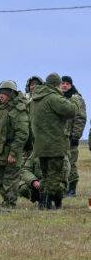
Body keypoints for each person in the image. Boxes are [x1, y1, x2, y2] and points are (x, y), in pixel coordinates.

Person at [30, 73, 81, 209]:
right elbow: (71, 111)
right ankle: (45, 203)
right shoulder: (53, 98)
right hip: (54, 145)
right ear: (57, 84)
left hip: (40, 145)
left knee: (45, 176)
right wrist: (75, 100)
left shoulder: (35, 98)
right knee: (54, 177)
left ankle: (42, 202)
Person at [0, 81, 29, 208]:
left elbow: (22, 133)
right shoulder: (1, 108)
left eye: (4, 93)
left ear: (11, 94)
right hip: (1, 150)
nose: (1, 95)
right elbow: (1, 130)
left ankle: (10, 203)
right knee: (0, 180)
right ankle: (6, 201)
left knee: (10, 179)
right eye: (0, 93)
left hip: (11, 150)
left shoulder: (18, 110)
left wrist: (13, 153)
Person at [60, 75, 87, 197]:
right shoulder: (59, 98)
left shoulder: (76, 98)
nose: (64, 85)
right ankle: (64, 188)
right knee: (62, 163)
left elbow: (80, 118)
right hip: (60, 137)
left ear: (71, 85)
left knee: (71, 162)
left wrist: (75, 136)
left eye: (67, 83)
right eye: (62, 83)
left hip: (71, 137)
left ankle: (72, 189)